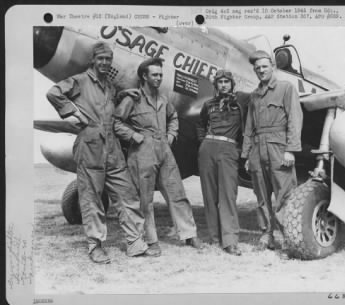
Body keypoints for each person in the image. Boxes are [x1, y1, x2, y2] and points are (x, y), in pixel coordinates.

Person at [46, 41, 157, 264]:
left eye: (108, 59)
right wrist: (72, 113)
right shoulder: (80, 81)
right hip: (90, 145)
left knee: (127, 194)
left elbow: (111, 109)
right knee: (91, 198)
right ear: (93, 60)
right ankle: (95, 246)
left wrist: (125, 94)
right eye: (101, 59)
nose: (105, 63)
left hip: (113, 146)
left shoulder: (109, 86)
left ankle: (135, 243)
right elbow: (54, 92)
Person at [113, 57, 204, 256]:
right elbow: (116, 122)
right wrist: (134, 136)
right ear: (144, 76)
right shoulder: (132, 99)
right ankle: (151, 240)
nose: (159, 78)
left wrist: (171, 135)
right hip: (142, 151)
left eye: (161, 75)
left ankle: (189, 234)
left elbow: (173, 117)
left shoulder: (163, 99)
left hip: (164, 149)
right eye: (155, 75)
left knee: (176, 192)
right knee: (145, 200)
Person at [241, 50, 303, 250]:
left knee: (285, 194)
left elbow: (295, 119)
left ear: (273, 67)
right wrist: (247, 154)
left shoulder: (286, 88)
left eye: (264, 66)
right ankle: (266, 235)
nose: (261, 70)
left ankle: (288, 239)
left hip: (279, 147)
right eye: (257, 68)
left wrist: (291, 149)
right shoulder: (254, 96)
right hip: (258, 150)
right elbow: (249, 128)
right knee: (261, 196)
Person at [196, 70, 248, 256]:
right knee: (210, 196)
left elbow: (248, 126)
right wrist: (203, 142)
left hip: (229, 149)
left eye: (227, 81)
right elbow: (200, 124)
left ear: (232, 84)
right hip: (208, 148)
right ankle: (215, 238)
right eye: (220, 82)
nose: (224, 85)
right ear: (216, 85)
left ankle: (230, 240)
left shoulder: (240, 103)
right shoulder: (208, 104)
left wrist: (240, 150)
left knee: (228, 195)